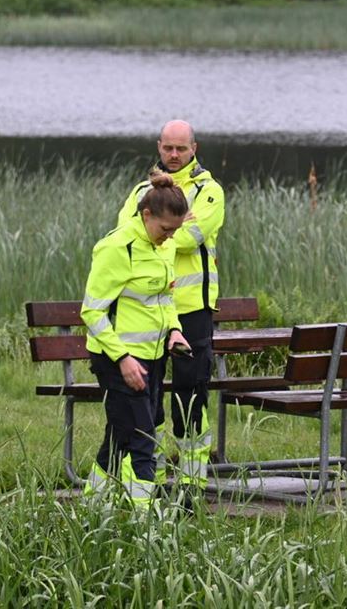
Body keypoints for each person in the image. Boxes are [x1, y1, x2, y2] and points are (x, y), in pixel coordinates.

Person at [116, 120, 225, 498]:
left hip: (193, 310)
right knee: (148, 399)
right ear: (159, 147)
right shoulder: (141, 191)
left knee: (189, 396)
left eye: (181, 148)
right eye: (168, 148)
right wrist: (169, 228)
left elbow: (189, 236)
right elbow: (126, 234)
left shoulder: (210, 192)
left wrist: (159, 230)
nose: (174, 155)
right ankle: (154, 479)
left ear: (194, 147)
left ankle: (193, 487)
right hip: (151, 311)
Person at [82, 172, 190, 508]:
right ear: (146, 216)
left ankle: (91, 507)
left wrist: (174, 330)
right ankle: (146, 528)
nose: (170, 237)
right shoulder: (116, 248)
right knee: (145, 438)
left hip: (155, 356)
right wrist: (123, 359)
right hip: (118, 360)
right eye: (165, 229)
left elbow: (164, 298)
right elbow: (92, 312)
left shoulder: (164, 246)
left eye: (175, 230)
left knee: (118, 438)